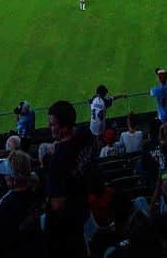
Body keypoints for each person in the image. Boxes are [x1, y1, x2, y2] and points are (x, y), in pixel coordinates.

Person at [45, 99, 100, 256]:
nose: (50, 128)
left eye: (53, 124)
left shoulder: (58, 159)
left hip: (68, 226)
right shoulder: (86, 135)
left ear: (64, 127)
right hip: (85, 210)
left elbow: (57, 204)